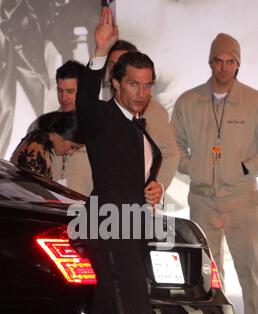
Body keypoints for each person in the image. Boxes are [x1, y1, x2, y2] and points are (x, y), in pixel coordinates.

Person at [66, 6, 220, 314]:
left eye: (148, 85)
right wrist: (98, 52)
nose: (141, 92)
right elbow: (87, 106)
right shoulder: (102, 115)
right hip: (110, 230)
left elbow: (137, 170)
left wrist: (152, 187)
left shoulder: (140, 125)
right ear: (116, 83)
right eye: (133, 83)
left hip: (127, 227)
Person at [171, 33, 258, 314]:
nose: (224, 67)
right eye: (218, 61)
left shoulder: (254, 100)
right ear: (210, 62)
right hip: (203, 197)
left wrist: (244, 169)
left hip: (241, 198)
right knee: (208, 273)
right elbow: (172, 144)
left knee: (252, 271)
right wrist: (194, 167)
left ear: (239, 63)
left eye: (230, 61)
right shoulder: (188, 101)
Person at [100, 39, 180, 201]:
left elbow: (170, 152)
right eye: (112, 64)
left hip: (130, 207)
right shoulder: (104, 103)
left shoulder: (148, 107)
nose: (117, 67)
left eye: (123, 62)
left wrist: (158, 186)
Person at [27, 60, 93, 195]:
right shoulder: (40, 126)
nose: (64, 97)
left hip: (87, 209)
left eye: (70, 91)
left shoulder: (99, 128)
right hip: (47, 208)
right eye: (60, 91)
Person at [11, 111, 83, 179]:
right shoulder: (36, 148)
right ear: (65, 134)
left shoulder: (38, 141)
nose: (71, 153)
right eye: (73, 147)